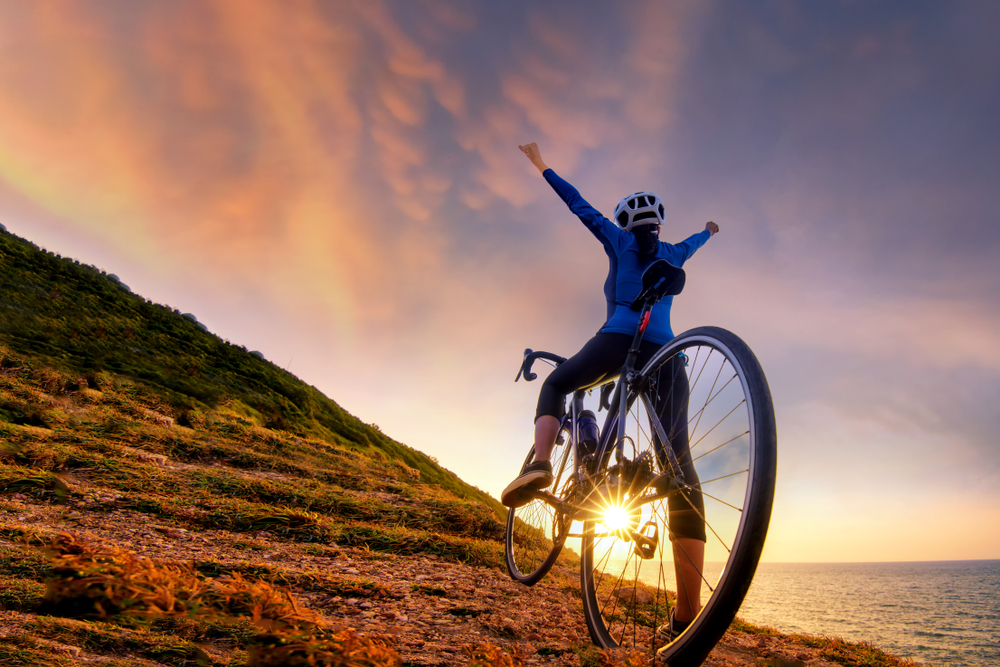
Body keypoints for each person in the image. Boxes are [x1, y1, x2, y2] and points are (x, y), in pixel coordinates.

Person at [502, 142, 719, 636]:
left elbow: (578, 204)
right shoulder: (673, 250)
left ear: (626, 225)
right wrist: (707, 232)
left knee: (557, 382)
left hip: (618, 340)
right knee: (681, 466)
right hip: (667, 353)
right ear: (659, 227)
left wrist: (541, 165)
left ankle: (539, 465)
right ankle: (687, 613)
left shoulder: (617, 240)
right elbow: (693, 242)